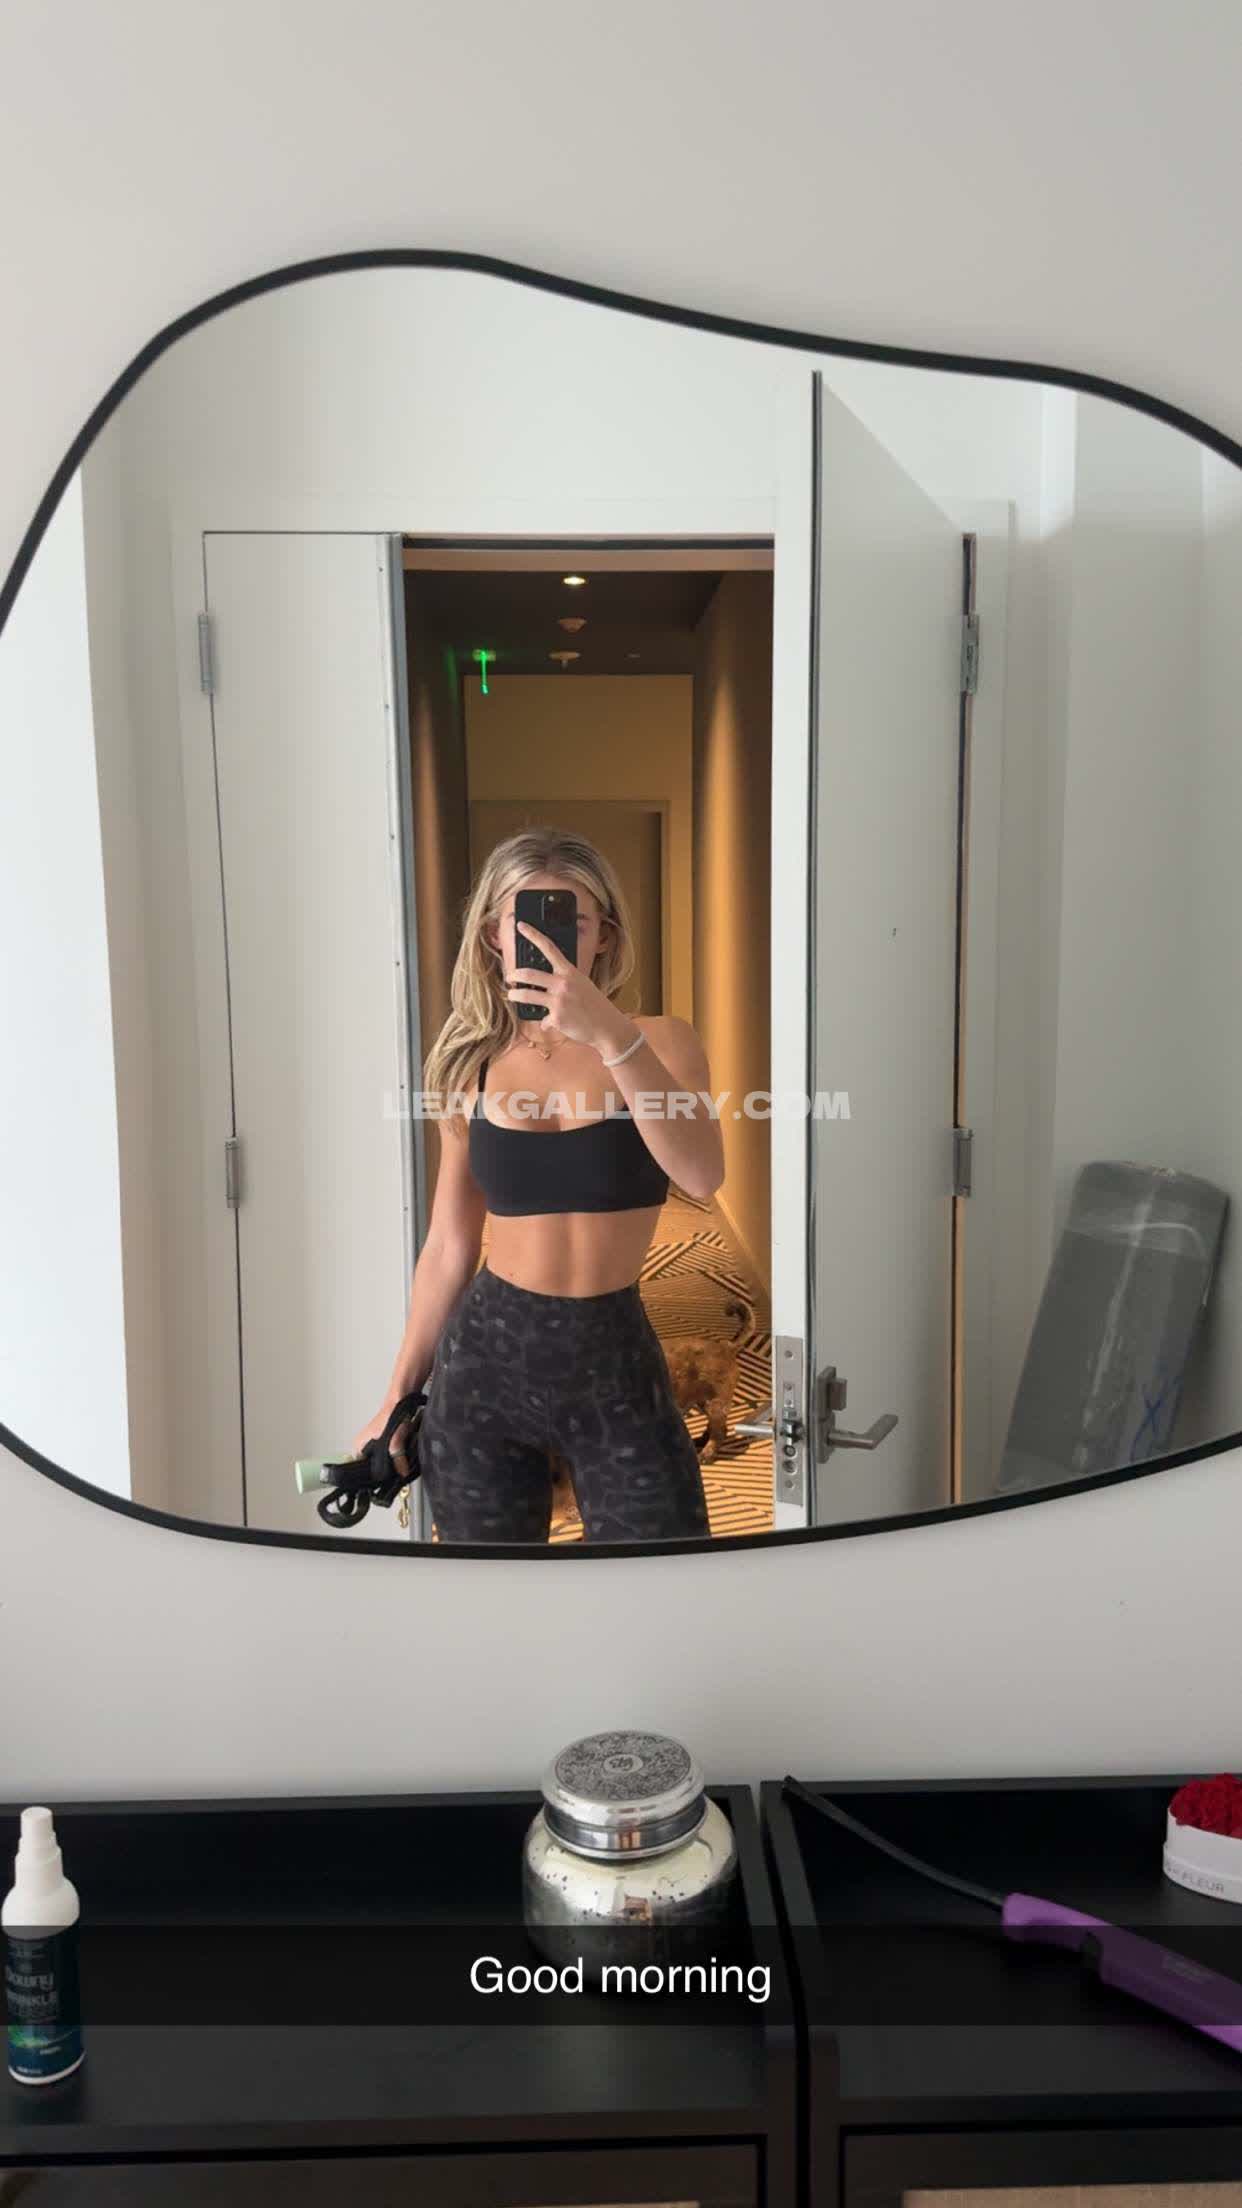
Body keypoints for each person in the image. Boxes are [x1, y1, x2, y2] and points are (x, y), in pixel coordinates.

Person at [350, 827, 724, 1543]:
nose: (544, 941)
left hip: (616, 1366)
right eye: (522, 922)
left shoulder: (661, 1040)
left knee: (664, 1582)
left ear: (604, 934)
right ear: (493, 936)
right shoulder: (471, 1063)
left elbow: (702, 1175)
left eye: (567, 920)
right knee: (493, 1599)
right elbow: (449, 1245)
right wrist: (396, 1396)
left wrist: (610, 1036)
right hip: (484, 1369)